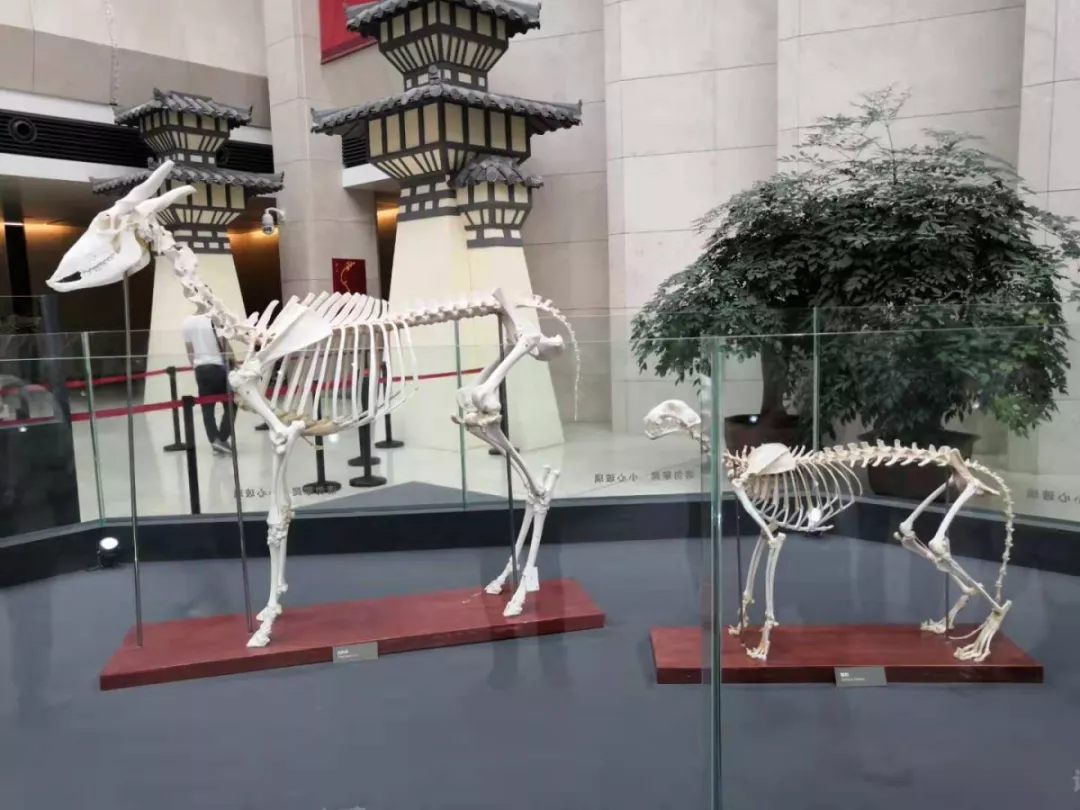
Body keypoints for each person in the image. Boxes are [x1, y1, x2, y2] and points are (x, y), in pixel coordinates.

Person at [182, 310, 234, 455]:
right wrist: (233, 362)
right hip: (219, 367)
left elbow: (190, 350)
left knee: (207, 408)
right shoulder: (215, 318)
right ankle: (222, 438)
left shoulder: (187, 321)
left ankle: (215, 440)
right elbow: (224, 344)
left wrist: (195, 368)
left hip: (201, 368)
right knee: (231, 404)